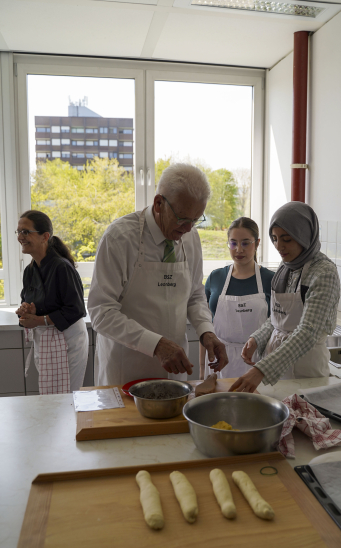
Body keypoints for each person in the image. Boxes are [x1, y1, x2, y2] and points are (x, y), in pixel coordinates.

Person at [88, 163, 228, 385]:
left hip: (175, 371)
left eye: (196, 219)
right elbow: (101, 312)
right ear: (158, 203)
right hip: (126, 370)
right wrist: (155, 345)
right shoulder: (120, 238)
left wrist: (206, 331)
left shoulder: (190, 238)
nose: (189, 228)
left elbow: (194, 294)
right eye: (182, 219)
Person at [230, 201, 340, 393]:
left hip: (307, 374)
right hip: (276, 371)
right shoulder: (286, 267)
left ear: (304, 236)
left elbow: (307, 333)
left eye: (286, 239)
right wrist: (257, 339)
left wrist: (261, 370)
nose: (279, 246)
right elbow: (277, 319)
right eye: (274, 238)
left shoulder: (323, 272)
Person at [15, 210, 88, 393]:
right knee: (51, 400)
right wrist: (26, 310)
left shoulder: (62, 267)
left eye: (26, 232)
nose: (21, 237)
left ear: (44, 236)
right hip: (47, 343)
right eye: (19, 232)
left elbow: (76, 309)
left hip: (68, 341)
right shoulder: (29, 270)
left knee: (66, 400)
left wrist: (39, 321)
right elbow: (28, 301)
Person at [200, 217, 274, 379]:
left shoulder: (270, 280)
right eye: (233, 243)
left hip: (257, 364)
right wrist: (200, 370)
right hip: (219, 363)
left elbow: (277, 325)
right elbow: (204, 327)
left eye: (245, 243)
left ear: (257, 243)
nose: (239, 249)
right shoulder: (216, 278)